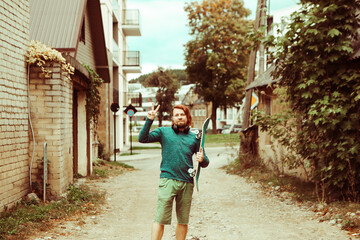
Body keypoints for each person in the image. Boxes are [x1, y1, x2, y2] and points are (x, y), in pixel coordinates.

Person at [138, 103, 210, 240]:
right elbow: (142, 138)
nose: (179, 117)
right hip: (167, 181)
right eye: (176, 115)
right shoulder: (163, 132)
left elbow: (205, 162)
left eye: (182, 115)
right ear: (173, 118)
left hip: (187, 183)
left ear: (187, 117)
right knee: (160, 218)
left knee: (183, 220)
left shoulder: (195, 136)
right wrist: (149, 119)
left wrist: (202, 158)